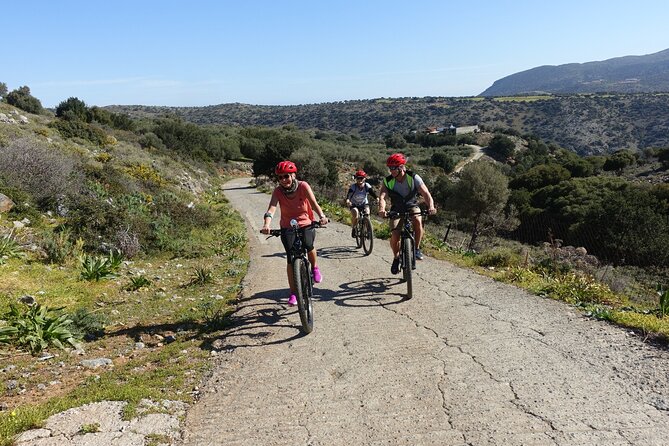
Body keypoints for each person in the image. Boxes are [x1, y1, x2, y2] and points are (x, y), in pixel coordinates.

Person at [261, 160, 329, 306]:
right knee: (291, 260)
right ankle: (293, 292)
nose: (283, 180)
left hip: (305, 223)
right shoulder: (278, 191)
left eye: (286, 176)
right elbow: (271, 208)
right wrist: (267, 224)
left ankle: (315, 268)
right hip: (287, 226)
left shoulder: (303, 186)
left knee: (309, 245)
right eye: (280, 177)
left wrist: (322, 216)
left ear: (293, 175)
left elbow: (313, 203)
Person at [377, 153, 437, 274]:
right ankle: (396, 257)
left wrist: (431, 206)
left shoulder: (413, 177)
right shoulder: (388, 181)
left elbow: (426, 193)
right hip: (397, 208)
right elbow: (382, 196)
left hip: (411, 205)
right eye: (390, 168)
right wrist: (382, 209)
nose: (391, 170)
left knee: (417, 220)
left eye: (394, 168)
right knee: (395, 235)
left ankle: (417, 248)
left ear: (401, 167)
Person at [345, 169, 377, 238]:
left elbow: (372, 193)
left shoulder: (366, 186)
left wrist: (377, 198)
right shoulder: (353, 187)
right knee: (356, 215)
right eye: (358, 178)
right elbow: (349, 194)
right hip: (354, 204)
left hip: (364, 203)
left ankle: (368, 230)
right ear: (356, 179)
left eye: (361, 178)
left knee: (367, 214)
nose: (360, 180)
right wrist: (348, 200)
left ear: (364, 178)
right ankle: (354, 228)